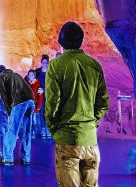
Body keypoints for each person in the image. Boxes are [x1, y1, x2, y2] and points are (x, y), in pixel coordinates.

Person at [46, 22, 109, 187]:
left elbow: (52, 102)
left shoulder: (55, 65)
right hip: (90, 140)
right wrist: (92, 122)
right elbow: (103, 102)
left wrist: (53, 128)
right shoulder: (94, 65)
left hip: (67, 138)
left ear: (61, 41)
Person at [0, 66, 35, 165]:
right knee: (27, 130)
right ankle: (26, 158)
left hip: (19, 102)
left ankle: (8, 158)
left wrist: (9, 113)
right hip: (31, 101)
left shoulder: (1, 77)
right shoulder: (16, 75)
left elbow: (5, 97)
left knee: (13, 130)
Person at [34, 55, 52, 139]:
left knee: (48, 111)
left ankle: (48, 129)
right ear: (41, 63)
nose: (45, 64)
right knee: (41, 112)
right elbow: (30, 78)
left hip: (49, 94)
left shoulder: (51, 72)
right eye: (43, 62)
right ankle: (43, 129)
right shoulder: (37, 72)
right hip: (40, 95)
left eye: (46, 62)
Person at [25, 69, 44, 137]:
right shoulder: (26, 83)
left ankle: (33, 132)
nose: (31, 76)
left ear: (34, 76)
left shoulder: (37, 83)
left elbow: (40, 96)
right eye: (29, 75)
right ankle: (28, 132)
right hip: (27, 105)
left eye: (32, 75)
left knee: (34, 120)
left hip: (35, 105)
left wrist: (39, 105)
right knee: (28, 119)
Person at [0, 65, 9, 142]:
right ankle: (7, 152)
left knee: (4, 132)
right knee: (5, 132)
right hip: (5, 111)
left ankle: (5, 152)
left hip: (3, 111)